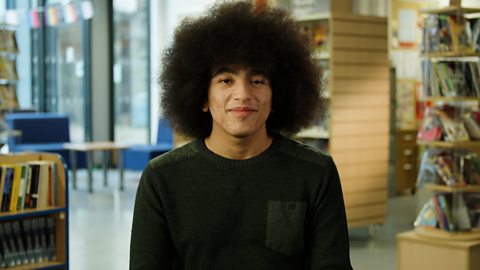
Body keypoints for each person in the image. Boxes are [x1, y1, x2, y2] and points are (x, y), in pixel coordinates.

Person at [130, 1, 352, 269]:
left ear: (277, 94)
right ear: (201, 96)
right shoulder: (162, 179)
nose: (243, 94)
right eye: (226, 80)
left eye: (257, 81)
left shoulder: (315, 174)